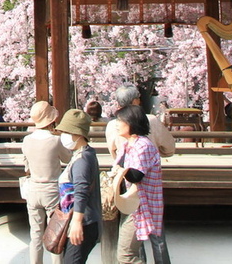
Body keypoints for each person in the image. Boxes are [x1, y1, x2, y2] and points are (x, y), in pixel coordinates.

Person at [115, 104, 170, 264]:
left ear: (131, 122)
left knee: (126, 255)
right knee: (130, 253)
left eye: (120, 120)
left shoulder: (143, 146)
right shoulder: (127, 145)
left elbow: (136, 175)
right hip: (132, 204)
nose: (116, 124)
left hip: (142, 206)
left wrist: (120, 171)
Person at [20, 102, 70, 264]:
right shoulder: (56, 141)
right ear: (50, 120)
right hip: (52, 191)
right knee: (55, 234)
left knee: (35, 236)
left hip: (33, 190)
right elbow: (67, 158)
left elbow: (26, 166)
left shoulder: (27, 140)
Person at [55, 108, 101, 264]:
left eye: (67, 132)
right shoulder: (84, 154)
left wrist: (76, 222)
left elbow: (81, 192)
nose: (63, 136)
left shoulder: (82, 159)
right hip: (79, 220)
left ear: (78, 134)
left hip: (82, 221)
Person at [104, 85, 175, 159]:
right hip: (149, 165)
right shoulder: (151, 120)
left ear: (118, 103)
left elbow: (113, 154)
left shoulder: (112, 125)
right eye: (139, 98)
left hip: (123, 167)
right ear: (135, 101)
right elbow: (169, 149)